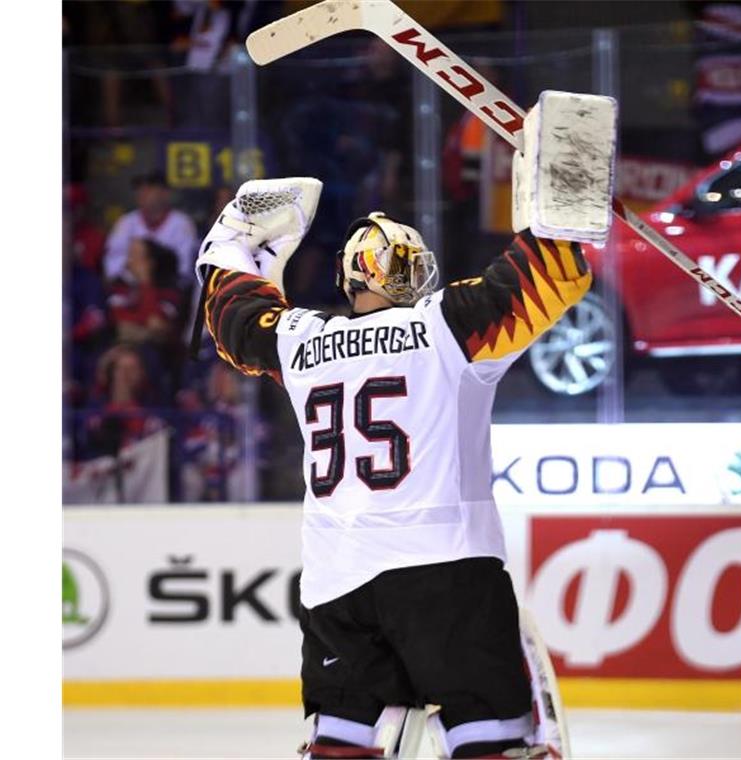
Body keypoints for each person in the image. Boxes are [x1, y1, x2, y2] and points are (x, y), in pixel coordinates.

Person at [196, 178, 590, 758]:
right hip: (447, 571)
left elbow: (232, 316)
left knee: (341, 740)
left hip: (337, 585)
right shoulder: (444, 325)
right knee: (489, 735)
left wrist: (235, 240)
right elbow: (545, 278)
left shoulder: (301, 341)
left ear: (349, 277)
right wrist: (563, 189)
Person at [103, 171, 199, 283]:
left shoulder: (182, 224)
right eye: (139, 188)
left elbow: (184, 268)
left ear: (165, 193)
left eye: (149, 188)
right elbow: (112, 266)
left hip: (170, 290)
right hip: (131, 288)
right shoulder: (125, 222)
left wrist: (149, 269)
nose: (142, 193)